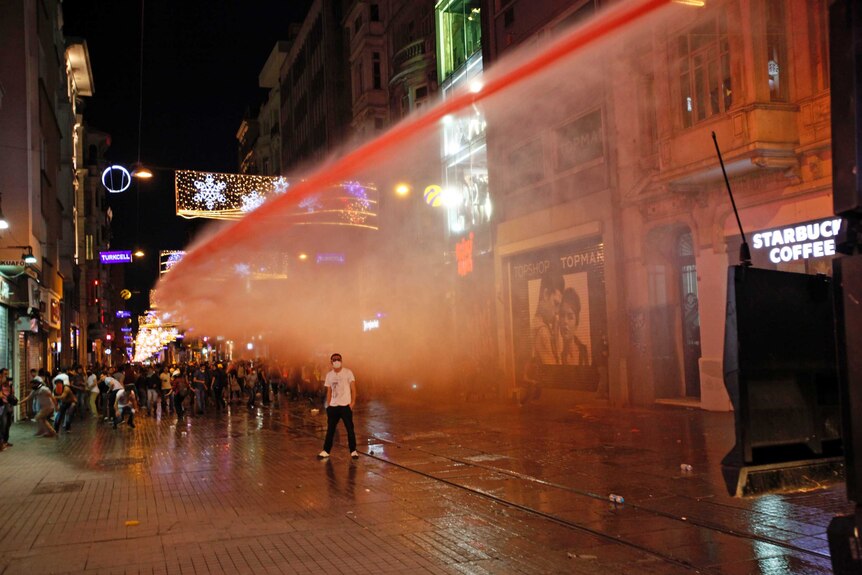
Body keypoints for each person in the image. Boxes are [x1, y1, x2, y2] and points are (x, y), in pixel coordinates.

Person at [318, 353, 358, 460]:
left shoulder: (348, 373)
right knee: (330, 430)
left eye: (338, 359)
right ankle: (326, 450)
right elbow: (329, 391)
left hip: (345, 406)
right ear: (331, 362)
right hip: (333, 407)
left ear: (341, 361)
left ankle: (353, 450)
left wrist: (352, 403)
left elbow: (353, 389)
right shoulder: (329, 375)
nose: (336, 361)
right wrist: (329, 405)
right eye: (334, 360)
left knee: (350, 429)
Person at [533, 271, 564, 365]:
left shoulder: (538, 324)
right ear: (546, 294)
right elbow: (556, 371)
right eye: (556, 303)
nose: (557, 311)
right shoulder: (542, 332)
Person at [559, 287, 588, 366]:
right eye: (562, 315)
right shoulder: (557, 355)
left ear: (576, 322)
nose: (565, 321)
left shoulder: (585, 353)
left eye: (570, 317)